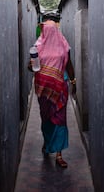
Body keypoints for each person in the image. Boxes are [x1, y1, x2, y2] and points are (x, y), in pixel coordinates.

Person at [28, 14, 76, 168]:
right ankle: (48, 142)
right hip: (43, 90)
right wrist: (31, 65)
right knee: (46, 118)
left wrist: (73, 81)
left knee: (60, 119)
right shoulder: (38, 46)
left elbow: (69, 64)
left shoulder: (63, 45)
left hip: (60, 88)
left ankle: (59, 154)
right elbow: (30, 66)